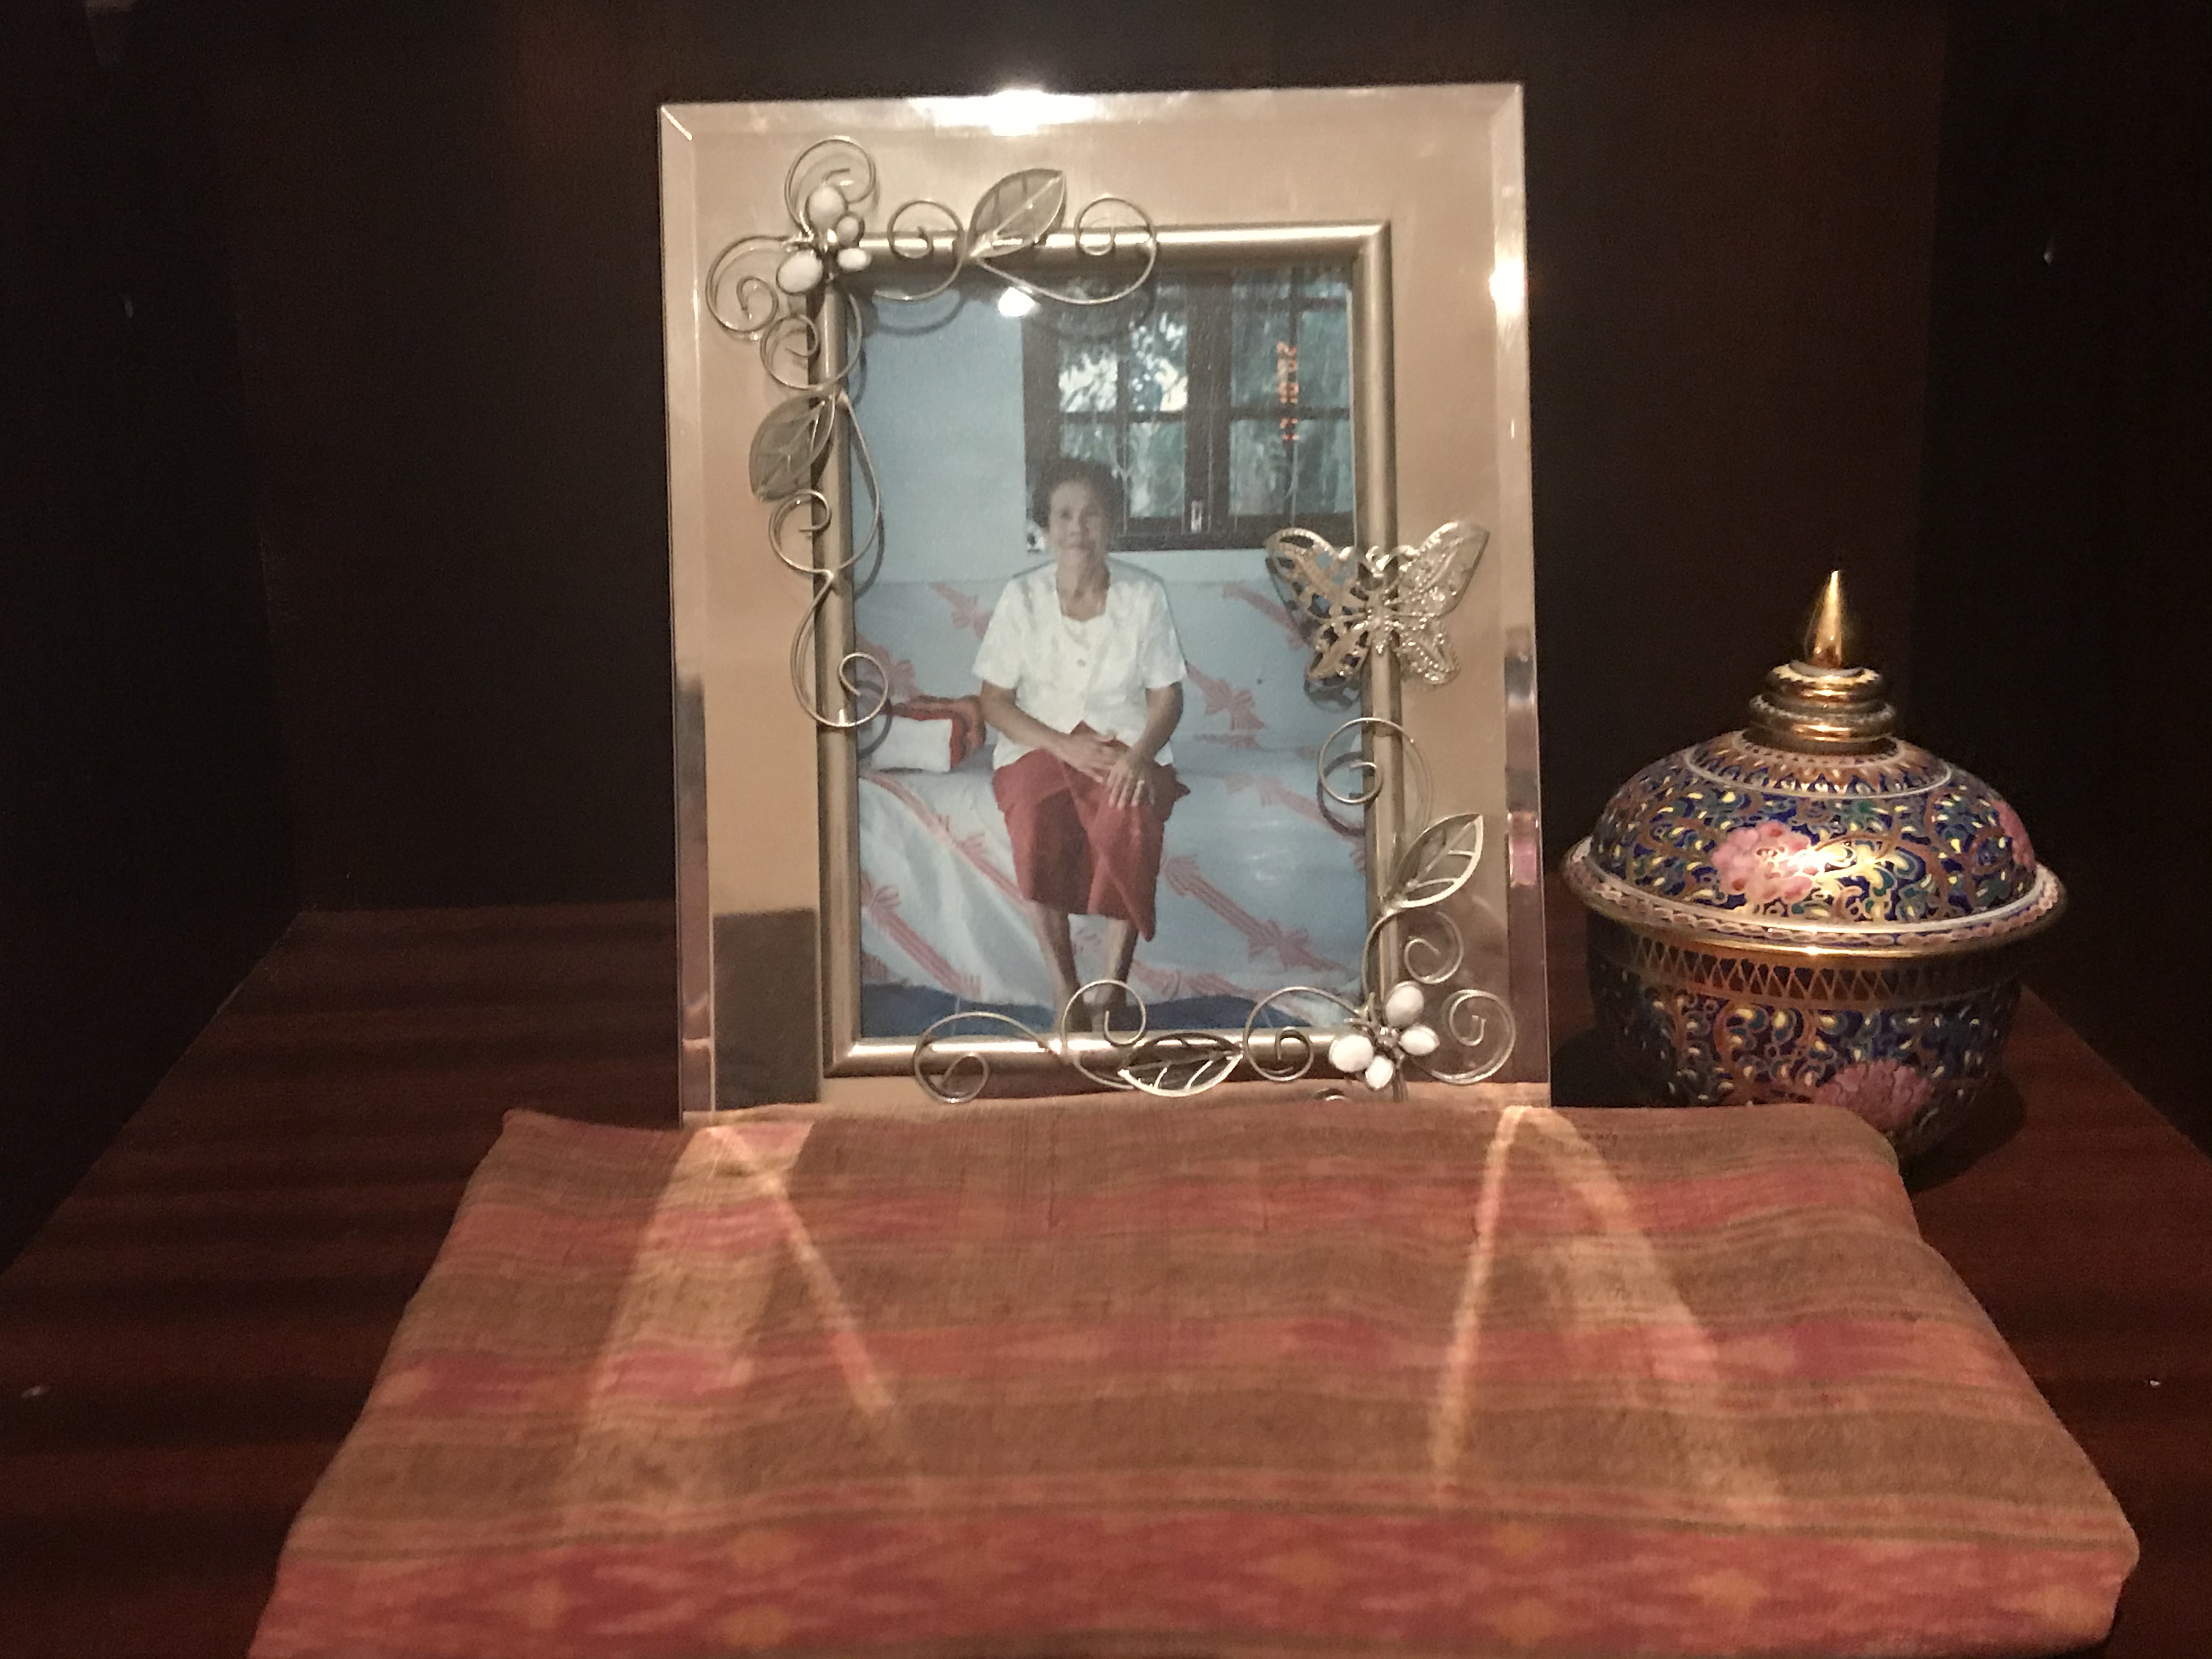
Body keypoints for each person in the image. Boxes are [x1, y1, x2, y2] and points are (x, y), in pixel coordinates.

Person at [974, 456, 1187, 1025]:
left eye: (1091, 515)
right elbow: (994, 702)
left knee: (1132, 814)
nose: (1077, 529)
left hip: (1125, 745)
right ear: (1045, 527)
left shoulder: (1144, 596)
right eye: (1064, 515)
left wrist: (1138, 758)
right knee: (1033, 819)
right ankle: (1065, 991)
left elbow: (1168, 698)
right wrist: (1064, 747)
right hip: (1039, 746)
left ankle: (1112, 988)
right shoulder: (1021, 598)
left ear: (1110, 523)